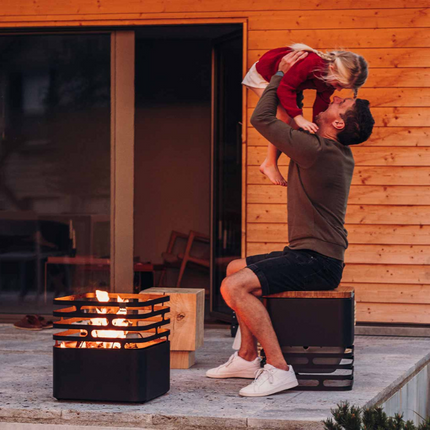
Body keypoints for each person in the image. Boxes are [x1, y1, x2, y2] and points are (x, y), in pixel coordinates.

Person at [206, 50, 374, 397]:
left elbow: (263, 119)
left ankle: (279, 368)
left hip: (316, 261)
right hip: (311, 255)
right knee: (236, 268)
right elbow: (286, 119)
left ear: (337, 123)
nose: (335, 98)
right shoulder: (330, 149)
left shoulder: (315, 149)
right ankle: (247, 357)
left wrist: (280, 75)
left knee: (233, 288)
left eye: (340, 104)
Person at [242, 43, 368, 186]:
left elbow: (321, 106)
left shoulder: (329, 80)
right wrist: (298, 116)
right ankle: (269, 163)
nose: (338, 90)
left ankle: (273, 161)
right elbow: (285, 89)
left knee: (297, 126)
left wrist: (319, 133)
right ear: (333, 69)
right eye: (339, 84)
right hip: (264, 76)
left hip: (288, 83)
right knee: (285, 117)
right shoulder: (311, 63)